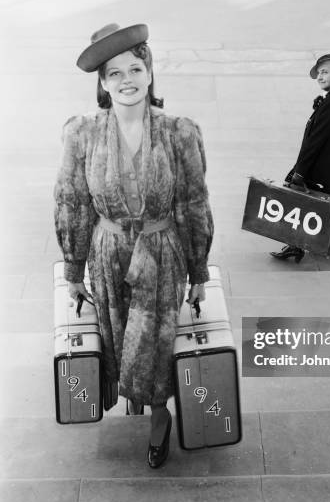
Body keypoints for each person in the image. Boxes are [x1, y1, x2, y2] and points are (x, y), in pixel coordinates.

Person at [54, 23, 213, 468]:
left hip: (161, 253)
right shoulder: (81, 133)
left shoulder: (179, 131)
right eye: (115, 73)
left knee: (156, 344)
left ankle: (160, 420)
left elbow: (193, 203)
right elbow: (72, 202)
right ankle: (134, 398)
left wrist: (198, 270)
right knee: (119, 336)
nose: (127, 79)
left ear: (149, 72)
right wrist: (73, 269)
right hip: (106, 253)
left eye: (135, 68)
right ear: (103, 84)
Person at [270, 53, 330, 262]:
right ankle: (296, 246)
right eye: (318, 73)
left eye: (325, 72)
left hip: (322, 170)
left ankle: (297, 246)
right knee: (306, 208)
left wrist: (300, 171)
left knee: (301, 204)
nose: (320, 77)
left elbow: (316, 139)